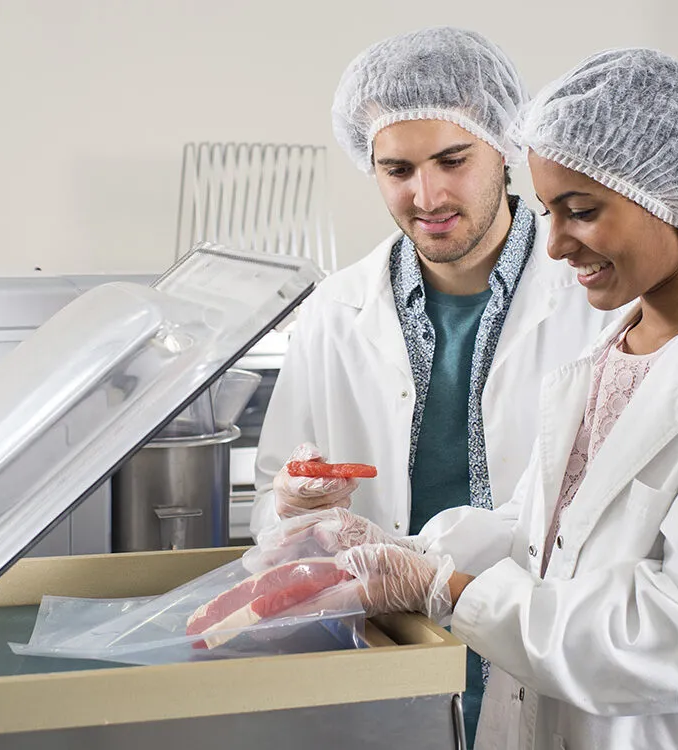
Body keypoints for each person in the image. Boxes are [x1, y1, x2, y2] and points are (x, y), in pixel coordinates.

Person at [273, 48, 678, 748]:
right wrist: (396, 551)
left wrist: (444, 590)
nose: (552, 246)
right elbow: (538, 536)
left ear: (676, 191)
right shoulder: (612, 351)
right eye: (549, 212)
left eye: (580, 212)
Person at [251, 27, 615, 744]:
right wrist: (291, 507)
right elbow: (276, 513)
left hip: (549, 666)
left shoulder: (596, 300)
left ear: (506, 146)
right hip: (389, 677)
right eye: (398, 169)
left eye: (453, 159)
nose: (428, 195)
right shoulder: (334, 312)